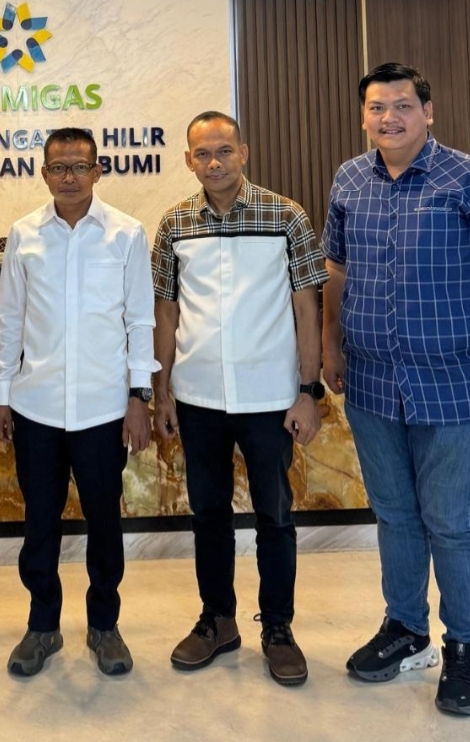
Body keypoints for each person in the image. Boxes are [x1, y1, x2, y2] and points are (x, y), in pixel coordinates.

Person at [322, 63, 470, 716]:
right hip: (373, 385)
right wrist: (331, 343)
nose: (390, 117)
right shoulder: (349, 179)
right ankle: (406, 629)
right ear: (364, 115)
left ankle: (464, 647)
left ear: (428, 111)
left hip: (458, 388)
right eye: (377, 107)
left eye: (403, 105)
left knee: (450, 520)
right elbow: (336, 269)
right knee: (395, 515)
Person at [152, 112, 326, 686]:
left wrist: (308, 392)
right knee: (208, 516)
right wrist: (161, 391)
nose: (214, 163)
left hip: (270, 396)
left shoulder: (286, 216)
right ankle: (217, 620)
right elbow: (166, 312)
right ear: (188, 160)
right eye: (202, 154)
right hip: (197, 395)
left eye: (224, 151)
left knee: (274, 516)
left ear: (244, 153)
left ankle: (277, 628)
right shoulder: (175, 224)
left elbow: (307, 309)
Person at [0, 127, 158, 676]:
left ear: (97, 171)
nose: (69, 177)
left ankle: (104, 626)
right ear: (43, 173)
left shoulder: (127, 234)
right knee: (40, 522)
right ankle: (42, 626)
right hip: (35, 407)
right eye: (58, 167)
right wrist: (2, 396)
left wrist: (139, 395)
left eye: (79, 166)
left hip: (103, 409)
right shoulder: (24, 234)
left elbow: (140, 320)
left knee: (104, 522)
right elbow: (9, 320)